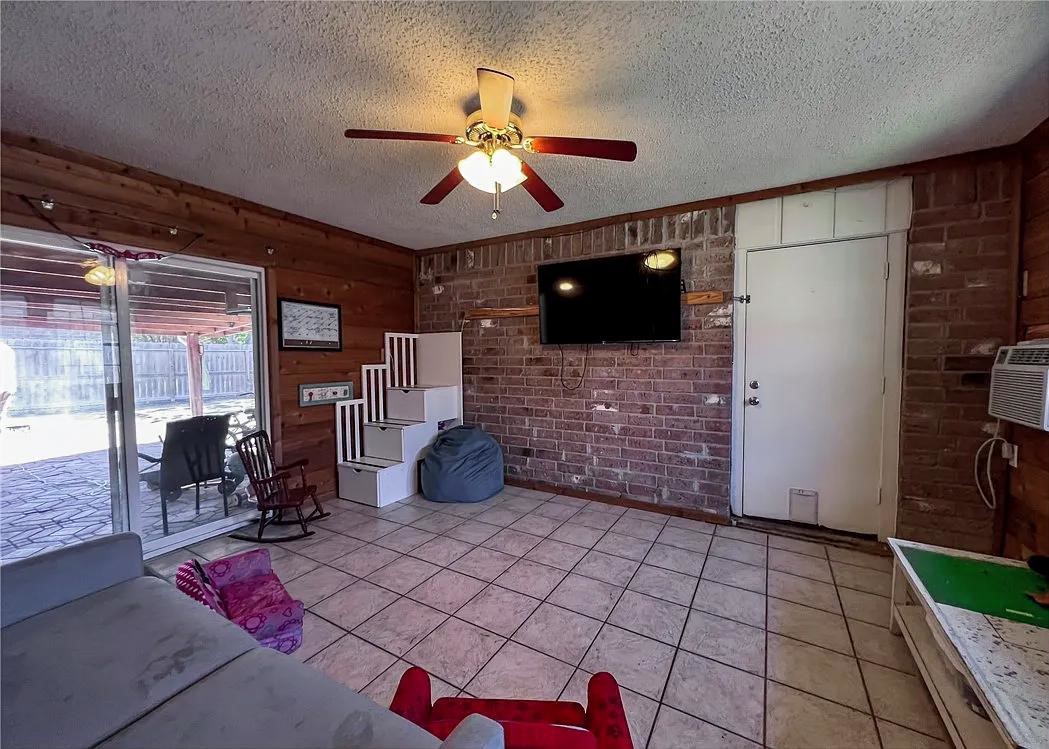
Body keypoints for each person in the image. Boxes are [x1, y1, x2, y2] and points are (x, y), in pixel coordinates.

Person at [0, 340, 17, 428]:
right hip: (6, 387)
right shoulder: (8, 350)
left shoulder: (6, 350)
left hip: (5, 387)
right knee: (2, 411)